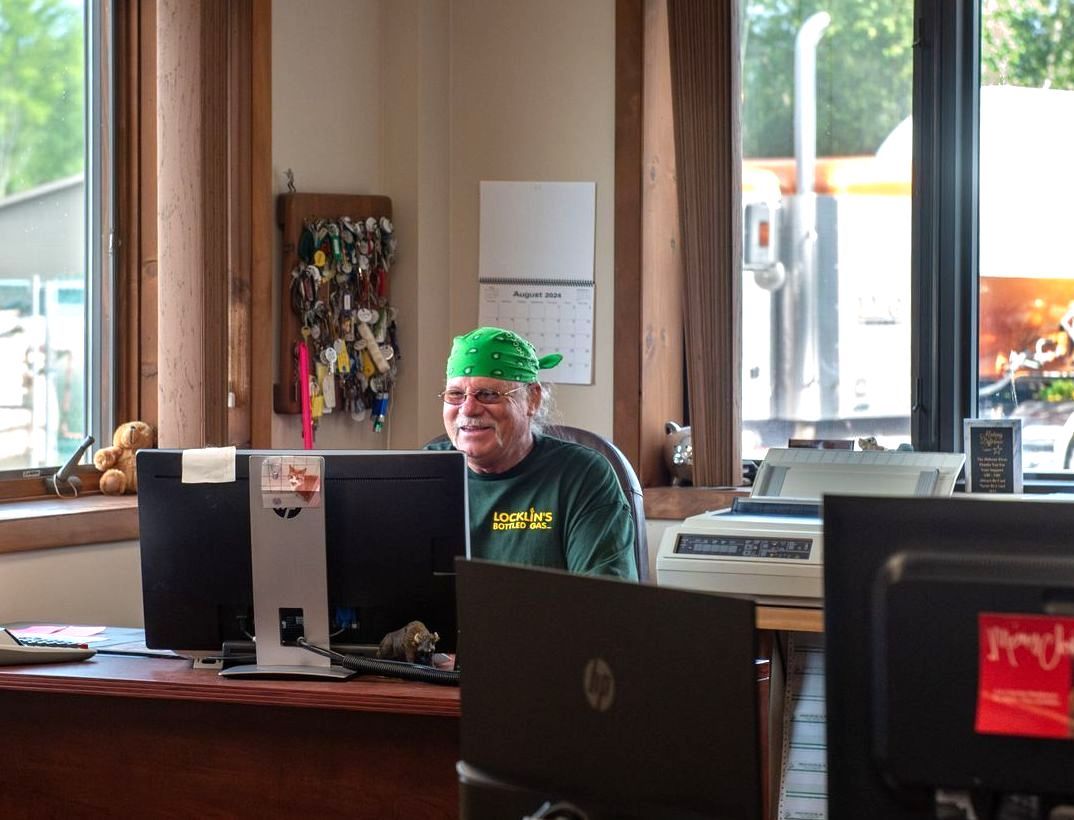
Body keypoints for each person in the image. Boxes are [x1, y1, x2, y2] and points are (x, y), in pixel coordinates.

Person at [427, 326, 638, 579]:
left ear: (532, 399)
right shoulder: (424, 473)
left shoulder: (581, 476)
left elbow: (607, 602)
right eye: (455, 394)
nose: (469, 408)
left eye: (488, 394)